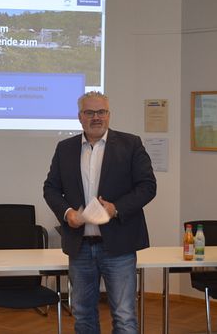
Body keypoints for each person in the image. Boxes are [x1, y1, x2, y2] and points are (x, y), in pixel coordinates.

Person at [44, 91, 157, 334]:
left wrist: (116, 208)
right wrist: (67, 213)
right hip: (80, 246)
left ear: (109, 115)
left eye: (101, 112)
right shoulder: (65, 148)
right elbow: (51, 188)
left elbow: (148, 187)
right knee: (83, 315)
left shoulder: (131, 144)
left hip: (119, 246)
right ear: (80, 117)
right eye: (89, 112)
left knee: (124, 316)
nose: (96, 117)